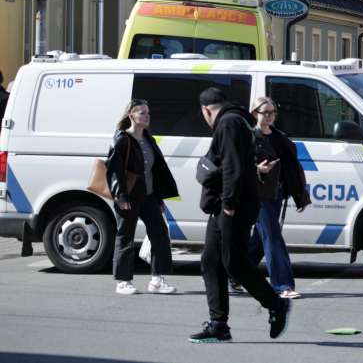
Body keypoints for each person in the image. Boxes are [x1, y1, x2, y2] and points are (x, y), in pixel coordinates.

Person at [190, 88, 292, 344]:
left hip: (232, 206)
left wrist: (228, 204)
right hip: (227, 204)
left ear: (205, 110)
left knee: (233, 262)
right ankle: (218, 325)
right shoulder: (237, 120)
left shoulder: (229, 124)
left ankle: (275, 304)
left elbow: (233, 167)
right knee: (211, 262)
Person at [107, 99, 179, 295]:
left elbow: (154, 172)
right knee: (126, 238)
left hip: (148, 197)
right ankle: (122, 282)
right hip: (129, 198)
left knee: (161, 234)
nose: (147, 116)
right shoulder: (122, 139)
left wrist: (159, 199)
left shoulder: (149, 138)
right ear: (132, 117)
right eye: (142, 113)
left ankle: (157, 279)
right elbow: (115, 172)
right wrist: (121, 199)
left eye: (148, 112)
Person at [246, 96, 311, 300]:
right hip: (257, 194)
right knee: (273, 237)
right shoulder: (249, 137)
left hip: (278, 194)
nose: (270, 116)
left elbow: (292, 169)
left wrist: (300, 197)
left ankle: (232, 273)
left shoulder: (280, 137)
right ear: (255, 114)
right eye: (266, 112)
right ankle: (283, 285)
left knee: (260, 239)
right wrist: (258, 170)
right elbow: (238, 166)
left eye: (273, 112)